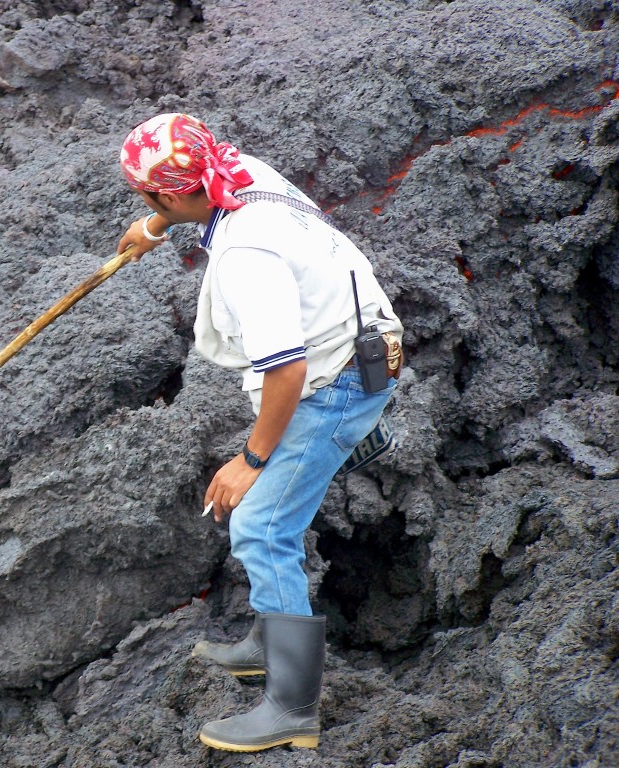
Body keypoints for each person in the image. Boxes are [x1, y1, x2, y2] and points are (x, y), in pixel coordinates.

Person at [117, 113, 403, 753]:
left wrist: (250, 458)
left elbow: (288, 368)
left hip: (336, 380)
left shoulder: (245, 255)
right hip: (365, 340)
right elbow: (193, 190)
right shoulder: (243, 177)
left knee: (261, 523)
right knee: (270, 514)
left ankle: (293, 707)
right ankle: (269, 637)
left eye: (147, 196)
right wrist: (154, 228)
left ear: (165, 190)